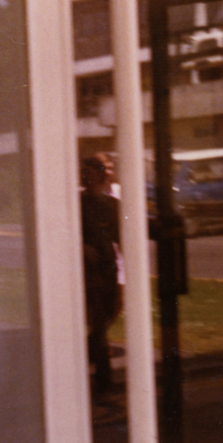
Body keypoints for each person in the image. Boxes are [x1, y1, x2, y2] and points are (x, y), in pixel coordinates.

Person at [79, 154, 121, 397]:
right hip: (87, 271)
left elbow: (122, 239)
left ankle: (88, 363)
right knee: (98, 325)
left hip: (108, 268)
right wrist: (81, 247)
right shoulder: (76, 203)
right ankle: (104, 382)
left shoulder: (112, 205)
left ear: (100, 175)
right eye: (82, 171)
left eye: (88, 171)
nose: (83, 176)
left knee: (103, 322)